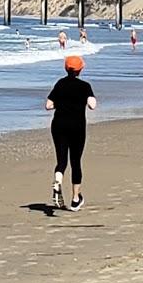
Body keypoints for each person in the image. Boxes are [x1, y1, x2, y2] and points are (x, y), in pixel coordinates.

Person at [45, 55, 96, 211]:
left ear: (66, 69)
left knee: (61, 161)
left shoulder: (60, 84)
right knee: (76, 162)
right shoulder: (85, 86)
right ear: (81, 69)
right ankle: (75, 200)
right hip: (77, 127)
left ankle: (58, 179)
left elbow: (48, 105)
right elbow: (92, 105)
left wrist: (61, 104)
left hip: (58, 125)